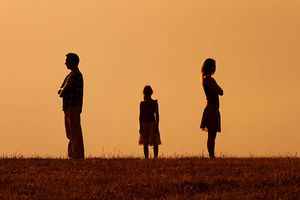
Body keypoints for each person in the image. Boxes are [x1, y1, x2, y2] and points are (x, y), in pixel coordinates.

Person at [58, 53, 84, 159]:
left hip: (73, 106)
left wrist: (62, 90)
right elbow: (61, 89)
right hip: (68, 107)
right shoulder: (70, 75)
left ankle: (77, 155)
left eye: (68, 61)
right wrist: (62, 90)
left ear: (74, 62)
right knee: (70, 132)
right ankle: (73, 154)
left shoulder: (75, 75)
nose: (65, 63)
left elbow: (63, 90)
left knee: (75, 131)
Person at [200, 58, 223, 158]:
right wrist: (217, 89)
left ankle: (211, 155)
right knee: (211, 135)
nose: (215, 68)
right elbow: (219, 91)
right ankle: (211, 155)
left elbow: (220, 91)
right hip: (212, 109)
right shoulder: (209, 80)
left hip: (213, 108)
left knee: (212, 135)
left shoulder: (206, 79)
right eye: (214, 66)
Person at [139, 85, 161, 158]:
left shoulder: (154, 102)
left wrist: (157, 126)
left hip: (151, 123)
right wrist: (140, 127)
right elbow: (140, 116)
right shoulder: (142, 104)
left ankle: (154, 157)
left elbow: (157, 115)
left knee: (154, 142)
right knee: (146, 142)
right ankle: (147, 157)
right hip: (145, 123)